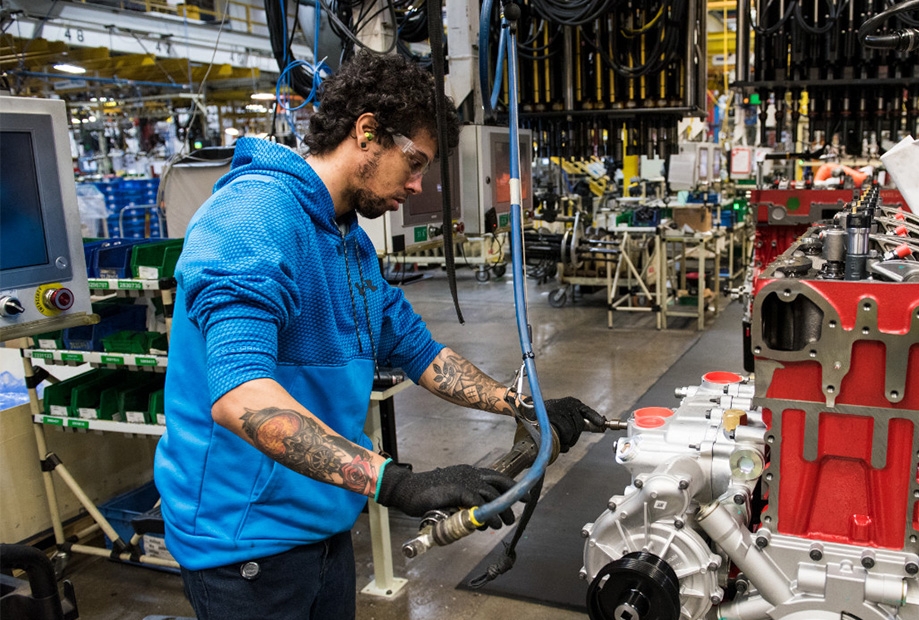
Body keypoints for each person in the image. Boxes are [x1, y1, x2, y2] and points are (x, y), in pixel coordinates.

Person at [154, 51, 604, 619]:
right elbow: (242, 398)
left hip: (323, 526)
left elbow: (419, 352)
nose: (418, 185)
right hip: (244, 549)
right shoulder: (252, 219)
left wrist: (523, 406)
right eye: (413, 162)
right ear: (366, 132)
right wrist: (396, 485)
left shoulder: (347, 240)